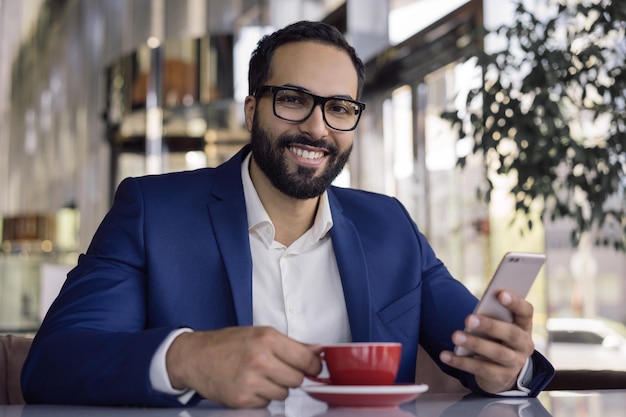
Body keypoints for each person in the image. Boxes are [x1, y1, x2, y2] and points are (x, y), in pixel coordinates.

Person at [21, 20, 554, 408]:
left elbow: (477, 352)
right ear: (252, 110)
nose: (318, 128)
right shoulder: (152, 213)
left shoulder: (389, 227)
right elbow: (53, 363)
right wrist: (187, 358)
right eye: (294, 99)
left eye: (339, 108)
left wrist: (510, 364)